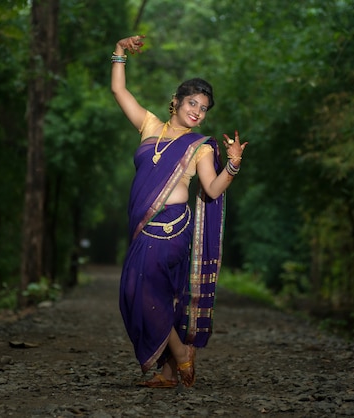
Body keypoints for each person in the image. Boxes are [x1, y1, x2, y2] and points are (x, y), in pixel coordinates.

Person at [111, 35, 247, 389]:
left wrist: (231, 165)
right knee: (146, 293)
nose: (197, 112)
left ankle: (181, 356)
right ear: (176, 101)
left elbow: (212, 190)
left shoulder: (199, 148)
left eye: (203, 109)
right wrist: (120, 52)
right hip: (144, 225)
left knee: (141, 290)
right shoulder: (150, 126)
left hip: (172, 227)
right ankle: (170, 371)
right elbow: (119, 92)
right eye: (192, 103)